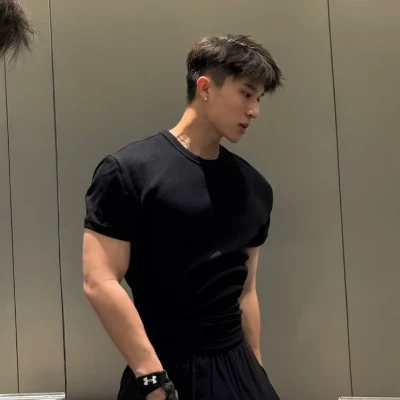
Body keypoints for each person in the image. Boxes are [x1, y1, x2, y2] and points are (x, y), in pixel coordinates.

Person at [83, 33, 283, 400]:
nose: (254, 110)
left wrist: (256, 371)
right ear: (205, 87)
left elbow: (246, 291)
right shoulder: (128, 172)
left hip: (239, 369)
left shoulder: (254, 187)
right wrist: (149, 376)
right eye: (246, 94)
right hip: (164, 371)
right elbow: (99, 280)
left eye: (258, 99)